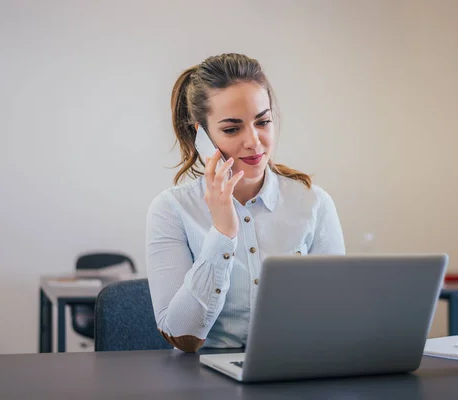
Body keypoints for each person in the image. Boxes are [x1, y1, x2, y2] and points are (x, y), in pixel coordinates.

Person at [146, 53, 345, 353]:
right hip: (201, 380)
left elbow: (339, 318)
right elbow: (181, 335)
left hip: (294, 372)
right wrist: (222, 234)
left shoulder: (313, 203)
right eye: (231, 129)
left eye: (263, 122)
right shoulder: (171, 210)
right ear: (202, 137)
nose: (254, 141)